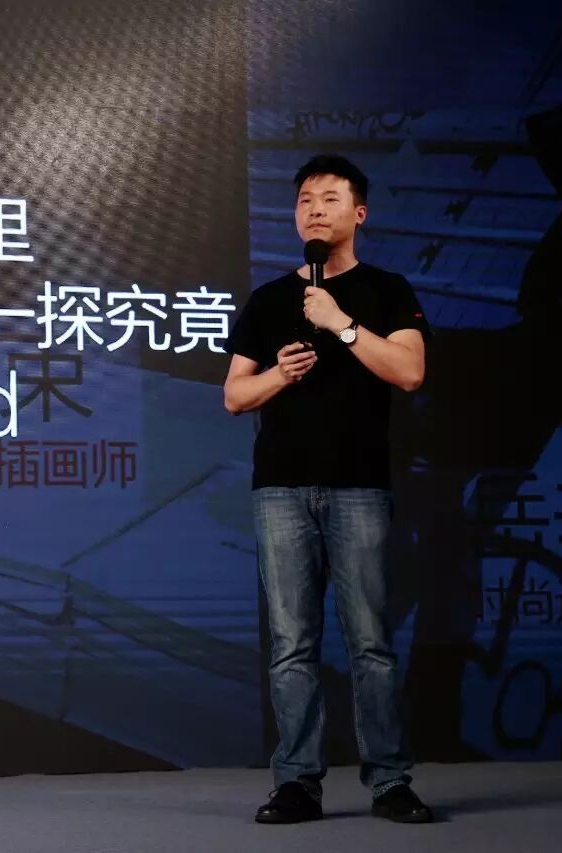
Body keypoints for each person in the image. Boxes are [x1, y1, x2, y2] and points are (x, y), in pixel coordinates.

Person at [223, 154, 433, 824]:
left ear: (359, 212)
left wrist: (341, 323)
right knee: (292, 644)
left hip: (359, 487)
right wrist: (280, 375)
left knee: (371, 640)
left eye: (330, 198)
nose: (314, 209)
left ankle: (390, 781)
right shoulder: (268, 299)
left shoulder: (387, 290)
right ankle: (297, 783)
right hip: (280, 490)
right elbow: (235, 395)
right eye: (305, 200)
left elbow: (409, 371)